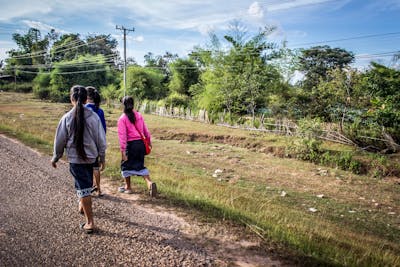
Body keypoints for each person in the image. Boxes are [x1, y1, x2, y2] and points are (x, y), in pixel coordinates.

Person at [51, 85, 107, 234]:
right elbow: (101, 139)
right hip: (91, 158)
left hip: (75, 160)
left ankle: (90, 222)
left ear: (72, 99)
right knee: (84, 185)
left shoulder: (66, 117)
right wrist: (102, 157)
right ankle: (83, 204)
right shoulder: (94, 117)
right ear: (84, 99)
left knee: (83, 188)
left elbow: (60, 140)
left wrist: (56, 156)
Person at [117, 96, 157, 197]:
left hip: (130, 146)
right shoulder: (139, 115)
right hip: (140, 144)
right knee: (140, 166)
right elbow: (145, 130)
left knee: (125, 166)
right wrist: (148, 141)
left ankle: (128, 187)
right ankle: (149, 183)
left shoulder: (122, 119)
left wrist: (123, 150)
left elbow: (123, 137)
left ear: (123, 105)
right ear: (133, 104)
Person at [85, 86, 106, 197]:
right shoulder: (100, 111)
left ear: (86, 97)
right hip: (97, 144)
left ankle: (86, 190)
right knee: (95, 167)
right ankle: (99, 189)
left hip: (84, 143)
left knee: (85, 168)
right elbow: (103, 130)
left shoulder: (83, 109)